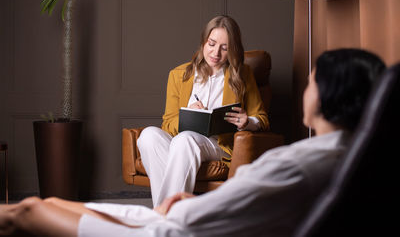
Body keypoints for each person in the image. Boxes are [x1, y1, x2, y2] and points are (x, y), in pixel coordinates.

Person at [0, 49, 385, 237]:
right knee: (49, 203)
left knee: (30, 209)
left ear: (329, 94)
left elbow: (192, 222)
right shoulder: (345, 158)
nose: (305, 90)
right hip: (180, 215)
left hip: (172, 230)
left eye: (312, 82)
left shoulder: (294, 163)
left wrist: (243, 121)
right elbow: (242, 206)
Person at [137, 15, 269, 206]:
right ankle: (174, 216)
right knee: (148, 136)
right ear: (203, 42)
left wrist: (248, 122)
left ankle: (165, 217)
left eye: (225, 48)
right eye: (212, 44)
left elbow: (263, 118)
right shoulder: (178, 75)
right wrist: (187, 114)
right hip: (182, 143)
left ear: (232, 50)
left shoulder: (243, 74)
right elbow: (168, 123)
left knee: (185, 140)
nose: (216, 52)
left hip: (218, 145)